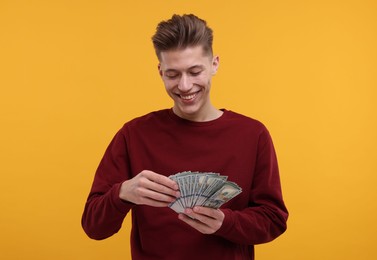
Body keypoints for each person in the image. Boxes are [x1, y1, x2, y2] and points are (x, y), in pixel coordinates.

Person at [82, 14, 288, 260]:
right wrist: (122, 193)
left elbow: (274, 220)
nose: (185, 85)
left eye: (194, 71)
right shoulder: (134, 134)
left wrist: (226, 222)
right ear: (160, 71)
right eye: (173, 74)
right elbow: (94, 227)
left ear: (214, 64)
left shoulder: (253, 134)